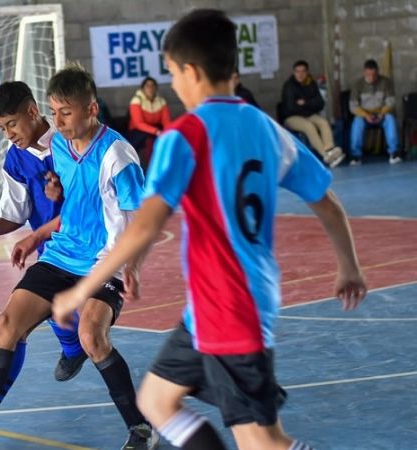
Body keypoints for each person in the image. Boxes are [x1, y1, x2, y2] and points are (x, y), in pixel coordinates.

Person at [53, 9, 367, 450]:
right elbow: (328, 204)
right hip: (217, 307)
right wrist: (348, 267)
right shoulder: (266, 128)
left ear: (192, 72)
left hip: (228, 309)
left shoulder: (186, 135)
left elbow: (144, 225)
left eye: (172, 74)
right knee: (157, 400)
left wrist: (82, 288)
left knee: (263, 442)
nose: (172, 84)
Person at [0, 64, 160, 450]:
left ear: (91, 109)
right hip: (62, 255)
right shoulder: (62, 149)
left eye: (65, 113)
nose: (59, 121)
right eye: (55, 112)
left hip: (105, 260)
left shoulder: (118, 155)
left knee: (91, 335)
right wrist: (35, 236)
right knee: (5, 324)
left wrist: (130, 266)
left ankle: (142, 428)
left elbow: (142, 220)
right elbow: (75, 210)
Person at [0, 81, 87, 389]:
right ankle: (74, 349)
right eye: (2, 128)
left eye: (12, 124)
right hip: (52, 253)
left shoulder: (71, 141)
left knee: (92, 329)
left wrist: (64, 194)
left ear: (33, 111)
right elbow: (15, 214)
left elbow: (95, 197)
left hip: (90, 247)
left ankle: (140, 420)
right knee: (33, 313)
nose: (9, 134)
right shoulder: (15, 159)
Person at [281, 60, 344, 167]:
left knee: (323, 122)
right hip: (291, 117)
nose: (300, 74)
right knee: (308, 126)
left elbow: (320, 103)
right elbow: (291, 107)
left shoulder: (311, 83)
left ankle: (329, 149)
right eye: (297, 72)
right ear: (294, 72)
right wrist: (310, 105)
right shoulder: (289, 86)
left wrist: (305, 103)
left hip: (308, 114)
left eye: (303, 72)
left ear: (307, 72)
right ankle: (325, 155)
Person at [349, 59, 401, 165]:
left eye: (374, 75)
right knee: (357, 123)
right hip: (364, 115)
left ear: (378, 72)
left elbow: (391, 101)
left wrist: (382, 112)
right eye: (368, 74)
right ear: (364, 72)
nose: (371, 78)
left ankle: (394, 153)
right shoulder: (357, 85)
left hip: (382, 113)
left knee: (390, 120)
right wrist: (365, 115)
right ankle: (356, 156)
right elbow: (353, 106)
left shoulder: (386, 82)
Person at [126, 76, 172, 171]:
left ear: (156, 88)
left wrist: (168, 133)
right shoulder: (136, 100)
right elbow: (138, 123)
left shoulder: (161, 101)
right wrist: (156, 131)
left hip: (155, 128)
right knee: (138, 144)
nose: (150, 88)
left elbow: (166, 121)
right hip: (138, 129)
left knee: (166, 141)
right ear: (143, 88)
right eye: (147, 86)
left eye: (152, 86)